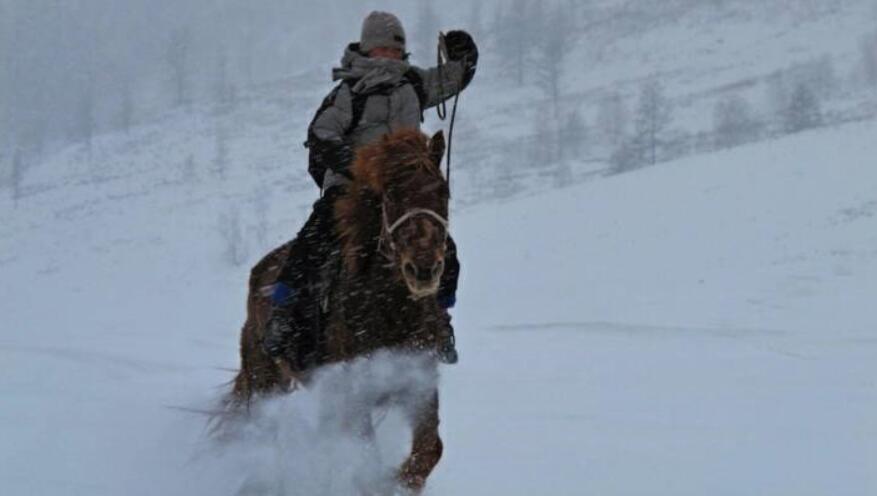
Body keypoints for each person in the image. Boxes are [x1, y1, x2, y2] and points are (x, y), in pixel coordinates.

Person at [262, 11, 478, 373]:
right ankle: (283, 312)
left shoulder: (414, 85)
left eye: (395, 50)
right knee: (317, 237)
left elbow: (450, 82)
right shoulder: (349, 91)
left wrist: (465, 59)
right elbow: (321, 133)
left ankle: (440, 317)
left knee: (443, 246)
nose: (388, 56)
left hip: (402, 191)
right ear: (366, 49)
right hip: (352, 186)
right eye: (381, 49)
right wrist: (357, 164)